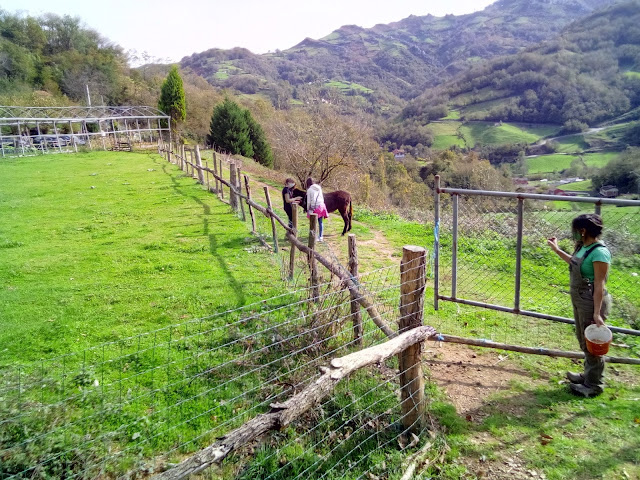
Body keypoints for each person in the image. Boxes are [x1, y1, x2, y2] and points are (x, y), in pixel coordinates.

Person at [547, 214, 612, 398]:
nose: (573, 234)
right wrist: (556, 249)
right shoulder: (584, 247)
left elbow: (600, 285)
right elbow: (574, 262)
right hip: (580, 298)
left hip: (591, 301)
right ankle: (588, 376)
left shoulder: (599, 252)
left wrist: (597, 314)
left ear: (583, 231)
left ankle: (594, 385)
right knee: (584, 339)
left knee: (594, 344)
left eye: (575, 230)